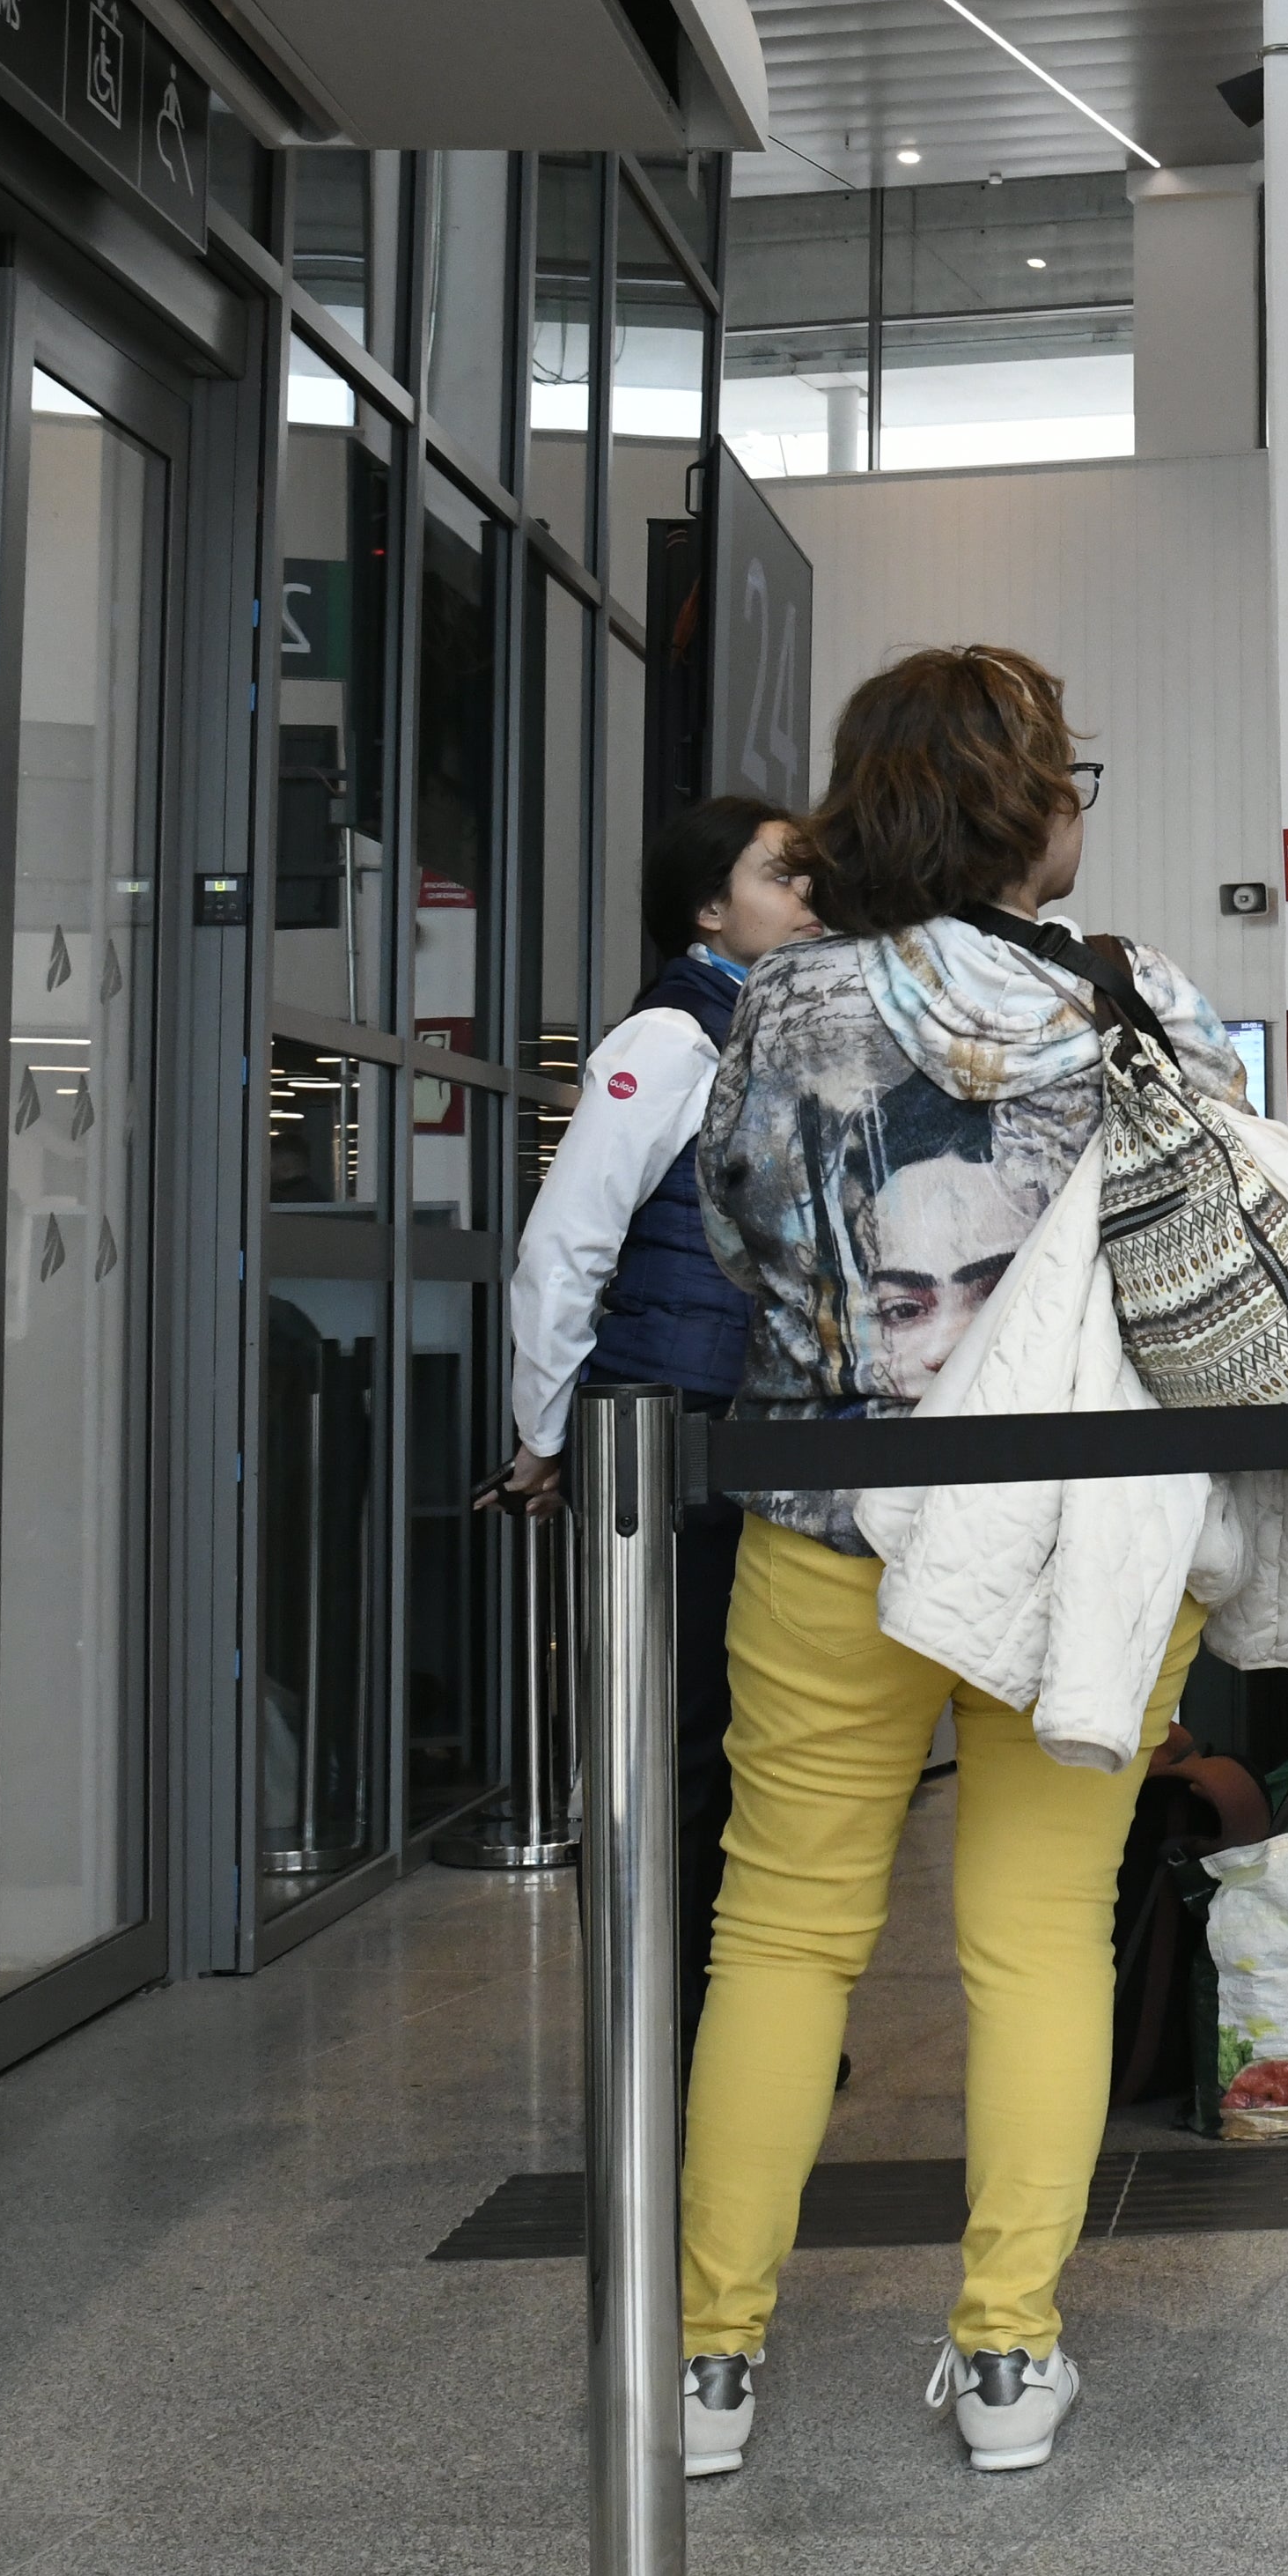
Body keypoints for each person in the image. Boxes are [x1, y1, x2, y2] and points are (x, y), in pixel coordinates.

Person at [675, 650, 1270, 2484]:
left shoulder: (781, 1005)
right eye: (1067, 767)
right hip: (1078, 1540)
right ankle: (1008, 2357)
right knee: (1035, 1940)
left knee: (782, 1931)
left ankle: (707, 2369)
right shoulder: (1137, 999)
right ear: (1019, 802)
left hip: (833, 1527)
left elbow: (733, 1225)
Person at [492, 793, 813, 2033]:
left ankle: (716, 2024)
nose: (810, 896)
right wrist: (547, 1434)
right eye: (783, 877)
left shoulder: (752, 1034)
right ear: (705, 909)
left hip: (724, 1426)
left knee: (729, 1736)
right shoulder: (671, 1040)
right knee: (666, 1746)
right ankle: (656, 2035)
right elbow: (562, 1246)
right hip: (660, 1434)